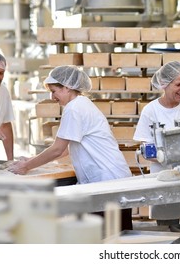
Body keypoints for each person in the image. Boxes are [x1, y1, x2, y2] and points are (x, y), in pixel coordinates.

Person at [7, 65, 133, 230]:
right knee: (113, 237)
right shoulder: (81, 104)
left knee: (109, 240)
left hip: (107, 182)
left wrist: (26, 166)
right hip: (111, 180)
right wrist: (31, 160)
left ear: (67, 87)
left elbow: (58, 149)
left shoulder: (74, 109)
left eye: (54, 91)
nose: (52, 97)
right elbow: (67, 147)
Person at [133, 61, 180, 226]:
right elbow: (146, 148)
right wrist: (168, 158)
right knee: (168, 229)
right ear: (164, 85)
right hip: (164, 180)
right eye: (178, 84)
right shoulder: (151, 110)